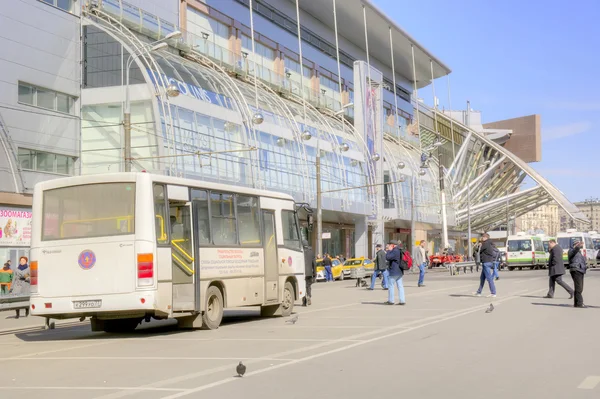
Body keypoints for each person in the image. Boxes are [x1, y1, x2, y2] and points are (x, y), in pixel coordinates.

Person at [473, 234, 497, 298]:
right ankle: (479, 292)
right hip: (489, 261)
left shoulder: (485, 243)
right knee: (482, 278)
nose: (482, 238)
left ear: (485, 237)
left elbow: (478, 251)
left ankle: (493, 292)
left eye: (483, 237)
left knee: (489, 278)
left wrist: (479, 245)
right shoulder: (490, 243)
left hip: (486, 262)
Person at [385, 240, 405, 305]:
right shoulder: (400, 250)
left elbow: (387, 257)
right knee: (400, 286)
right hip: (399, 271)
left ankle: (391, 300)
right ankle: (402, 300)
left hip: (394, 271)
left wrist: (388, 250)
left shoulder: (395, 251)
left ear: (392, 245)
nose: (388, 246)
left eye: (389, 245)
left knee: (391, 286)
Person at [568, 240, 587, 308]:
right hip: (576, 270)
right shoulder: (571, 250)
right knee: (579, 288)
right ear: (574, 245)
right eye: (577, 244)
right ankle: (580, 303)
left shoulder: (579, 252)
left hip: (580, 270)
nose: (580, 245)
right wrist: (578, 246)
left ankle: (576, 303)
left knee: (579, 288)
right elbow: (574, 251)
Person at [302, 240, 316, 306]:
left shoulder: (300, 252)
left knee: (303, 286)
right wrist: (314, 273)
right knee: (308, 286)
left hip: (302, 273)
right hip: (309, 273)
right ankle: (309, 296)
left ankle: (304, 300)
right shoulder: (311, 252)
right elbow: (314, 264)